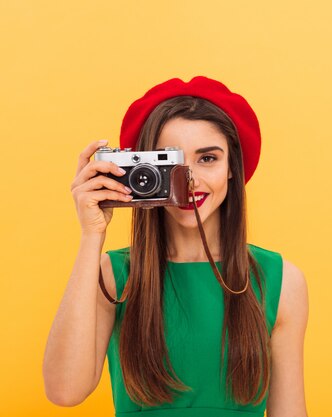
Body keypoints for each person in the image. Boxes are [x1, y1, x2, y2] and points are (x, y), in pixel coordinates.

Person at [42, 76, 309, 417]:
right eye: (172, 162)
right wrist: (91, 234)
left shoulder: (281, 280)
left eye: (208, 158)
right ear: (142, 171)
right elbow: (64, 391)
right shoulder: (115, 275)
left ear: (232, 168)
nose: (189, 178)